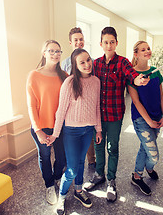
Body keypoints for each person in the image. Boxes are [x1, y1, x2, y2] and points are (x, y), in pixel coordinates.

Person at [84, 27, 149, 202]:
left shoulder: (123, 62)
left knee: (112, 148)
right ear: (101, 44)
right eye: (106, 42)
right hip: (97, 115)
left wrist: (138, 79)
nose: (109, 45)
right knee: (98, 147)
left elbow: (132, 74)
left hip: (115, 115)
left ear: (116, 43)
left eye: (112, 42)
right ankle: (99, 175)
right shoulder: (95, 64)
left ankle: (111, 181)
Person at [48, 48, 102, 215]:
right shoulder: (69, 82)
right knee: (71, 168)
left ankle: (78, 191)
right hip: (71, 131)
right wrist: (55, 134)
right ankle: (62, 197)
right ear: (76, 65)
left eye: (88, 60)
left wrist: (98, 130)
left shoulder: (96, 81)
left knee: (80, 163)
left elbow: (96, 107)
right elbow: (61, 111)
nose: (87, 65)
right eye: (82, 62)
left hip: (88, 131)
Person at [26, 40, 67, 205]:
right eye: (51, 51)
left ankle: (57, 178)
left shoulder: (64, 76)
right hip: (41, 126)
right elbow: (31, 105)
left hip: (60, 127)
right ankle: (49, 185)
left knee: (62, 159)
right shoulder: (34, 75)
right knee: (44, 156)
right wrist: (38, 130)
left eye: (58, 51)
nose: (56, 54)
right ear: (44, 53)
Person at [127, 41, 163, 195]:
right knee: (154, 155)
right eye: (143, 49)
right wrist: (149, 121)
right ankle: (149, 167)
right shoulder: (132, 75)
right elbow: (136, 102)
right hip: (141, 119)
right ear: (136, 54)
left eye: (148, 48)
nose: (147, 51)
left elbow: (161, 96)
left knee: (144, 147)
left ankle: (137, 177)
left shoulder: (156, 72)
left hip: (157, 116)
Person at [61, 27, 97, 170]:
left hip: (87, 107)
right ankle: (71, 162)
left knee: (89, 137)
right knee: (71, 139)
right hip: (71, 109)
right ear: (71, 43)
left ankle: (91, 161)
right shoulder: (65, 63)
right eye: (75, 40)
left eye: (81, 39)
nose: (79, 42)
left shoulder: (91, 61)